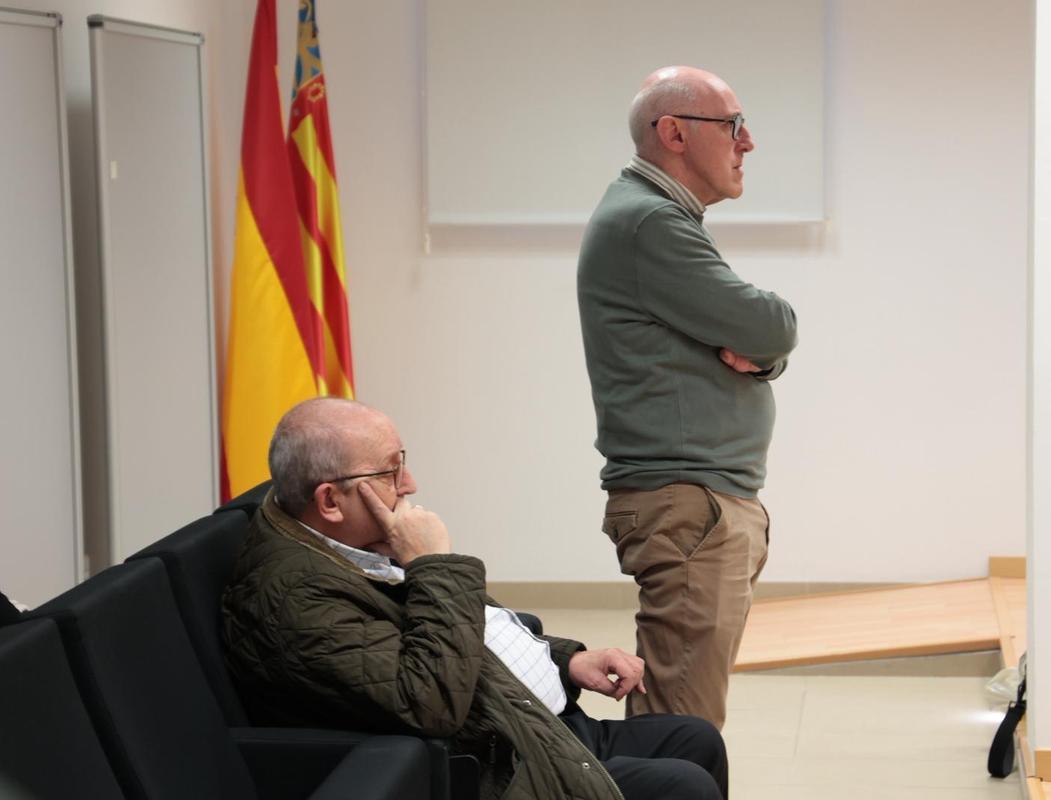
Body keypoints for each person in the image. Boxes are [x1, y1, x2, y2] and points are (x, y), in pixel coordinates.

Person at [222, 397, 727, 800]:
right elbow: (428, 702)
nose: (410, 484)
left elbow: (470, 631)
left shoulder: (352, 542)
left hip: (526, 721)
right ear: (330, 501)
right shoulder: (293, 599)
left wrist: (564, 658)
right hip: (496, 763)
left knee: (695, 739)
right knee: (684, 787)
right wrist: (432, 565)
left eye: (403, 463)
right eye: (388, 472)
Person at [576, 66, 798, 729]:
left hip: (699, 500)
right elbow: (770, 326)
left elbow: (761, 343)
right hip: (689, 504)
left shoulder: (660, 215)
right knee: (681, 727)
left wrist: (762, 354)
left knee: (681, 723)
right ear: (672, 132)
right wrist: (764, 346)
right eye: (731, 125)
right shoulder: (648, 220)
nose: (747, 142)